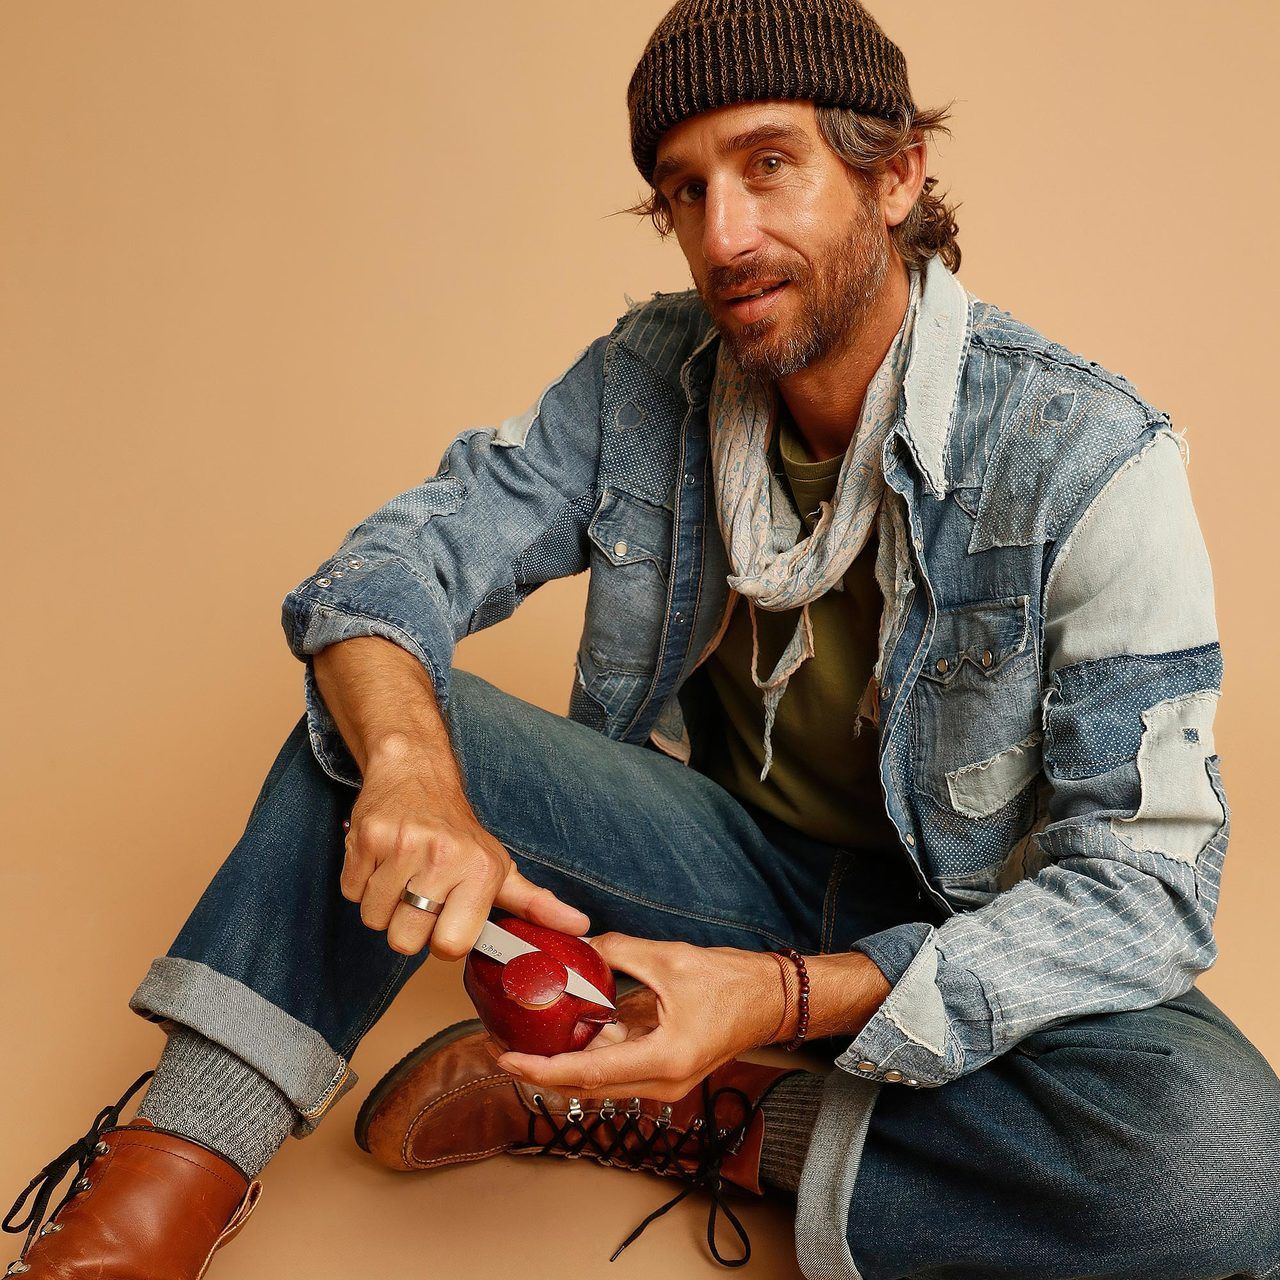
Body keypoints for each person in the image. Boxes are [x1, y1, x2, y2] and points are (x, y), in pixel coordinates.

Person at [6, 1, 1279, 1277]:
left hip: (956, 922)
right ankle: (154, 1197)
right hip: (714, 872)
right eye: (684, 189)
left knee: (1225, 1162)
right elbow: (386, 571)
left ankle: (716, 1116)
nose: (722, 236)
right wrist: (409, 768)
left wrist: (782, 999)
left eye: (767, 164)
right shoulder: (644, 377)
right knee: (376, 716)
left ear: (893, 176)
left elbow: (1140, 891)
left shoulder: (1088, 458)